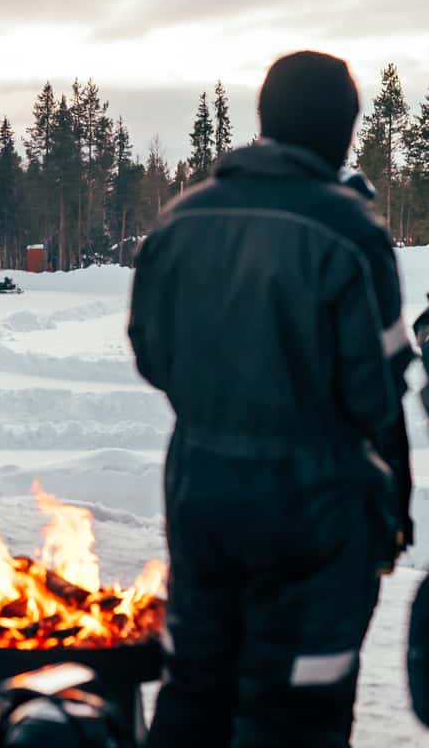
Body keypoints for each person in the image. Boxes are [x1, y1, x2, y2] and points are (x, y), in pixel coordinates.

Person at [129, 50, 413, 747]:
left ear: (266, 121)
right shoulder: (351, 232)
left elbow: (150, 353)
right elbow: (377, 391)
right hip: (312, 505)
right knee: (297, 705)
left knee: (196, 683)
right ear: (343, 132)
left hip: (199, 486)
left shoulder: (181, 218)